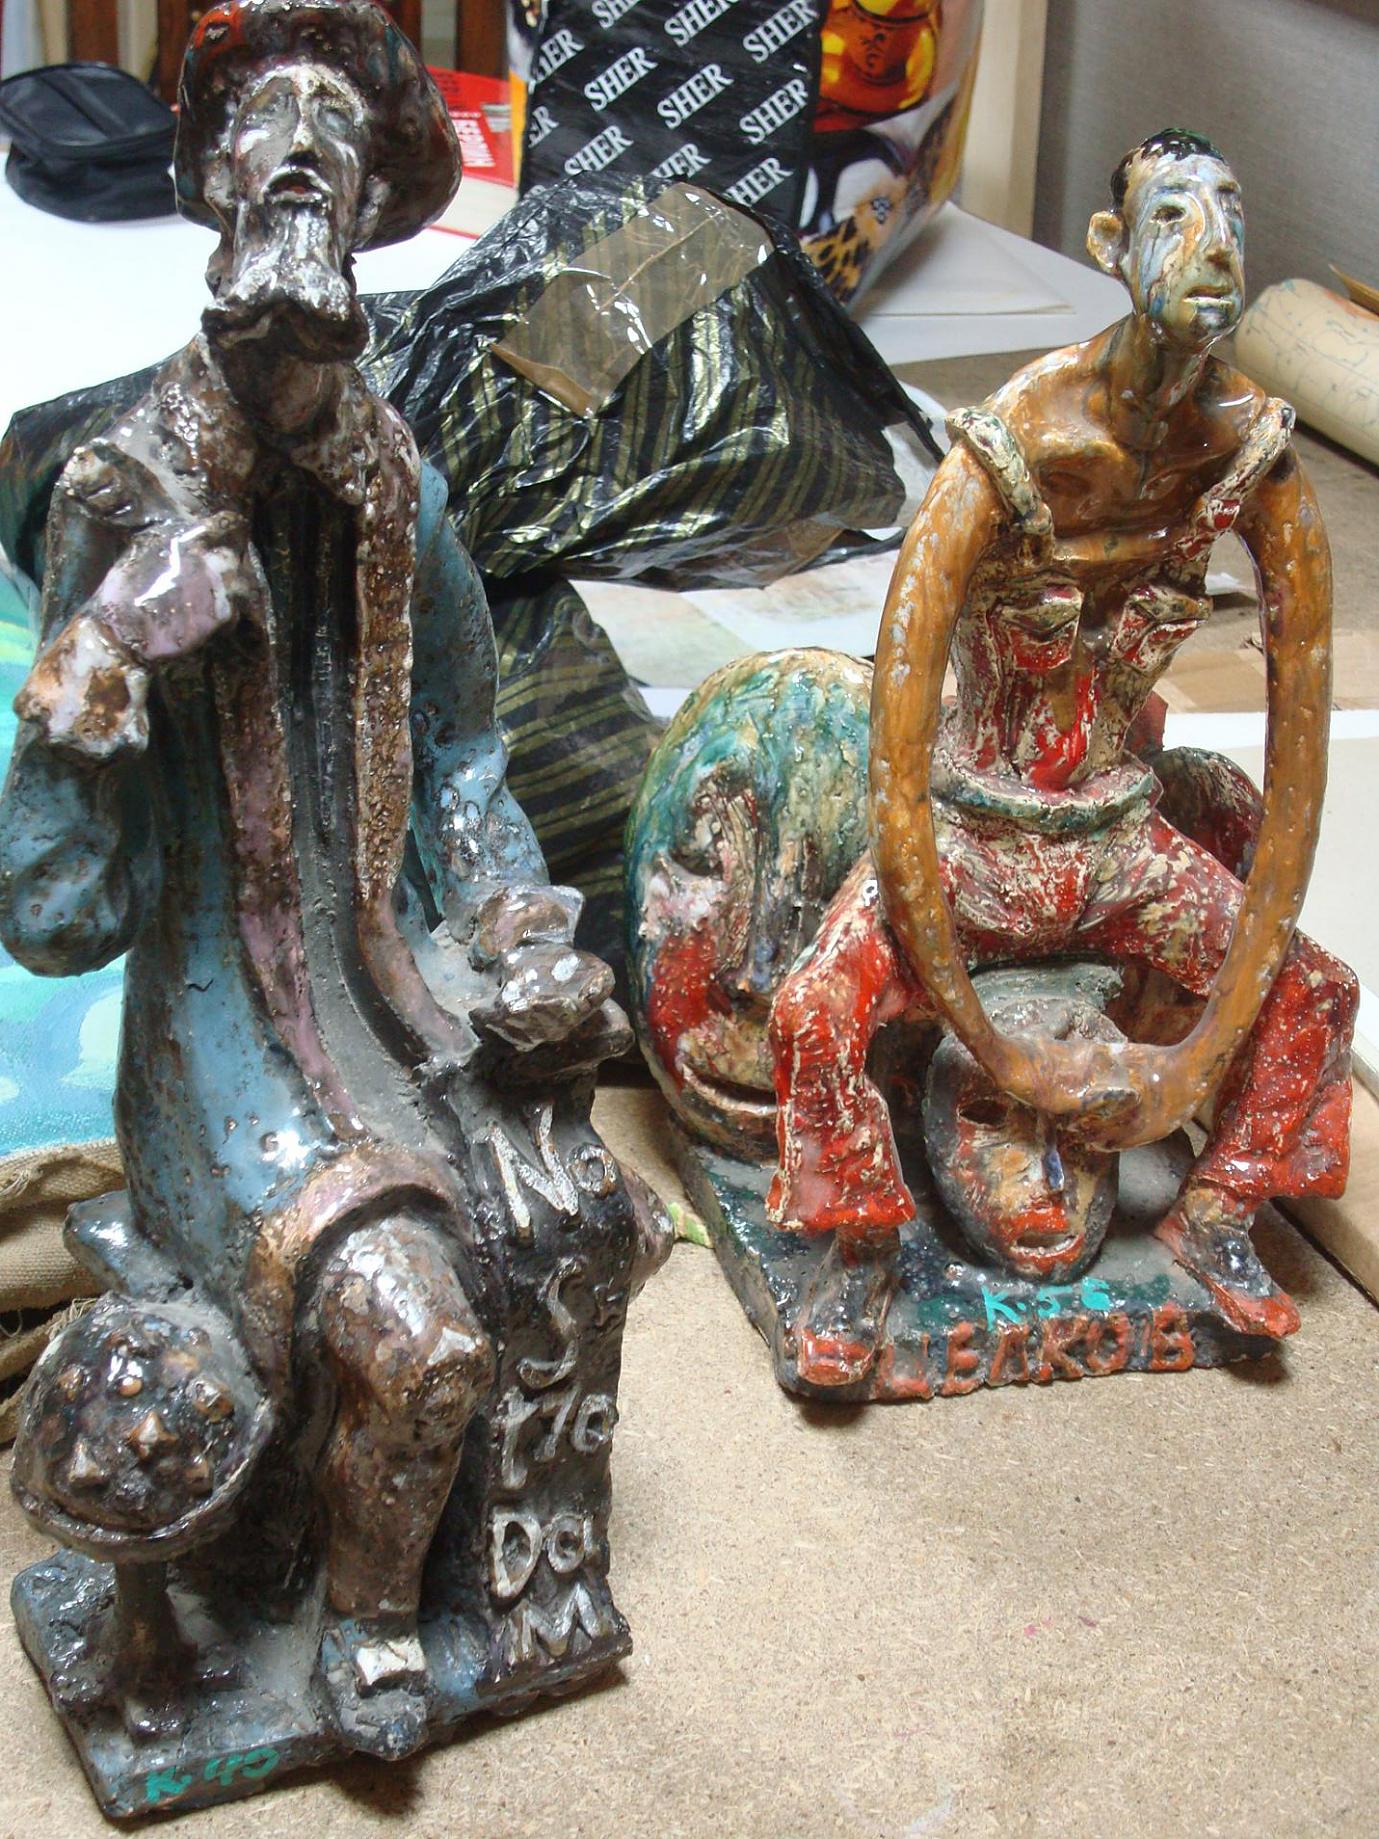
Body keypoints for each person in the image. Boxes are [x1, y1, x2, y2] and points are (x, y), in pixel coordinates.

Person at [0, 0, 626, 1757]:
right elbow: (51, 912)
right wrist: (104, 662)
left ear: (372, 210)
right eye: (265, 124)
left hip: (397, 995)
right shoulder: (121, 489)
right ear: (207, 179)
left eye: (338, 136)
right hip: (223, 1053)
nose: (299, 156)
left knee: (577, 1212)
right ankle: (365, 1621)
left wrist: (507, 922)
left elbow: (467, 751)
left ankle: (472, 1578)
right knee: (417, 1339)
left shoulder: (392, 482)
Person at [769, 130, 1357, 1386]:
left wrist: (1192, 1065)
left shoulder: (1249, 457)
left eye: (1227, 211)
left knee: (1310, 989)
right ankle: (858, 1242)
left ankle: (1217, 1213)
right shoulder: (1013, 443)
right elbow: (896, 759)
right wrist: (992, 1045)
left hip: (1117, 849)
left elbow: (1299, 752)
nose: (1209, 243)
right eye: (1171, 217)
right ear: (1111, 247)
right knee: (815, 1009)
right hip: (971, 844)